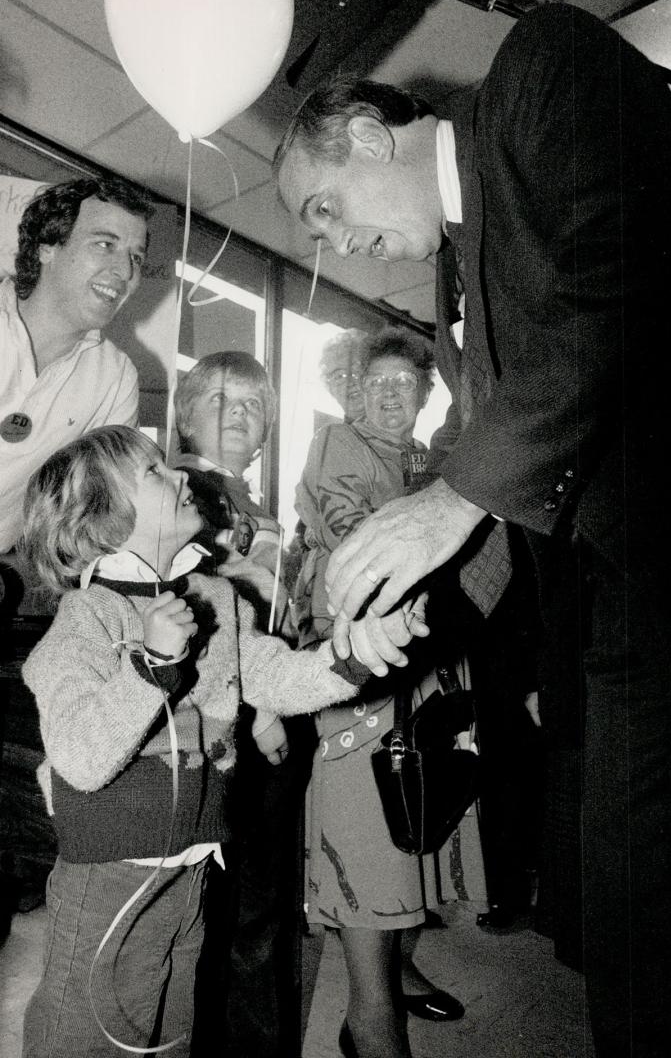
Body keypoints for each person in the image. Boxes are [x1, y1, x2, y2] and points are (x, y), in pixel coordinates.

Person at [274, 4, 671, 1058]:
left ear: (374, 137)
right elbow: (498, 504)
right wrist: (399, 623)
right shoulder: (452, 276)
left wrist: (454, 497)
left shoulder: (543, 64)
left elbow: (625, 265)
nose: (334, 244)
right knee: (623, 898)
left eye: (324, 210)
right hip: (621, 592)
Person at [17, 424, 425, 1058]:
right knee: (85, 1034)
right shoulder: (87, 618)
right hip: (110, 876)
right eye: (154, 473)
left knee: (173, 1025)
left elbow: (278, 676)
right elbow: (79, 757)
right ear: (101, 520)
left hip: (194, 864)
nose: (180, 475)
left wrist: (357, 653)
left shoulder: (212, 597)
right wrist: (149, 666)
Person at [295, 328, 483, 1058]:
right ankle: (369, 1016)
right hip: (361, 658)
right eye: (380, 382)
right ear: (353, 391)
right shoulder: (339, 445)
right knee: (370, 831)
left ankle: (399, 971)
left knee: (421, 809)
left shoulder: (422, 461)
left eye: (409, 384)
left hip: (426, 656)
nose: (393, 393)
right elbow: (360, 544)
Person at [174, 351, 307, 1057]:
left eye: (252, 404)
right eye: (218, 399)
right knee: (231, 914)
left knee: (254, 911)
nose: (235, 414)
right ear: (187, 414)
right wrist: (262, 709)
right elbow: (202, 621)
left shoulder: (251, 504)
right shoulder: (182, 496)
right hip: (227, 729)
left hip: (262, 721)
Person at [0, 176, 153, 559]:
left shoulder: (115, 379)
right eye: (105, 245)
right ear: (47, 247)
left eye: (136, 257)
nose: (125, 271)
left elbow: (105, 508)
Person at [318, 327, 368, 422]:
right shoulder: (331, 436)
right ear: (330, 388)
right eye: (339, 376)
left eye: (356, 371)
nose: (349, 383)